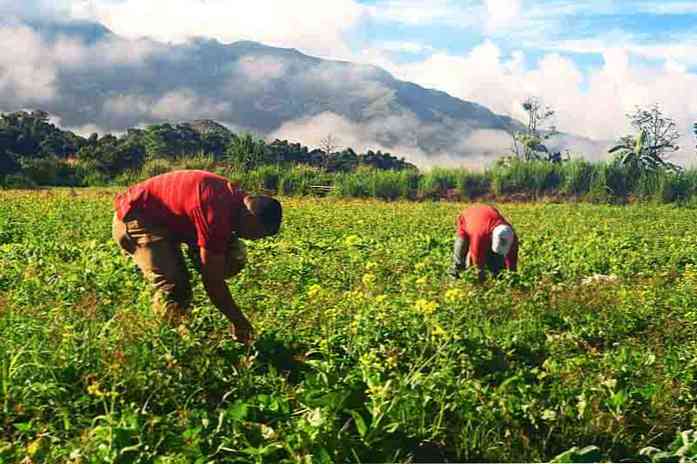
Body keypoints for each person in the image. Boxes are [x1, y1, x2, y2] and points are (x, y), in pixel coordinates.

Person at [112, 170, 282, 344]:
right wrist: (240, 322)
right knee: (175, 289)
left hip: (166, 220)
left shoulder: (237, 201)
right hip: (136, 218)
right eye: (255, 233)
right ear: (249, 216)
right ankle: (167, 343)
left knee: (233, 257)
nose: (253, 239)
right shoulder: (215, 213)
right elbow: (213, 282)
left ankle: (192, 262)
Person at [449, 204, 518, 281]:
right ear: (492, 237)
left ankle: (497, 277)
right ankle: (455, 280)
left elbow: (512, 261)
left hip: (485, 220)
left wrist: (512, 277)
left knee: (498, 264)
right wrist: (480, 280)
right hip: (467, 219)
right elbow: (477, 262)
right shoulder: (480, 236)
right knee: (460, 256)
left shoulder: (510, 235)